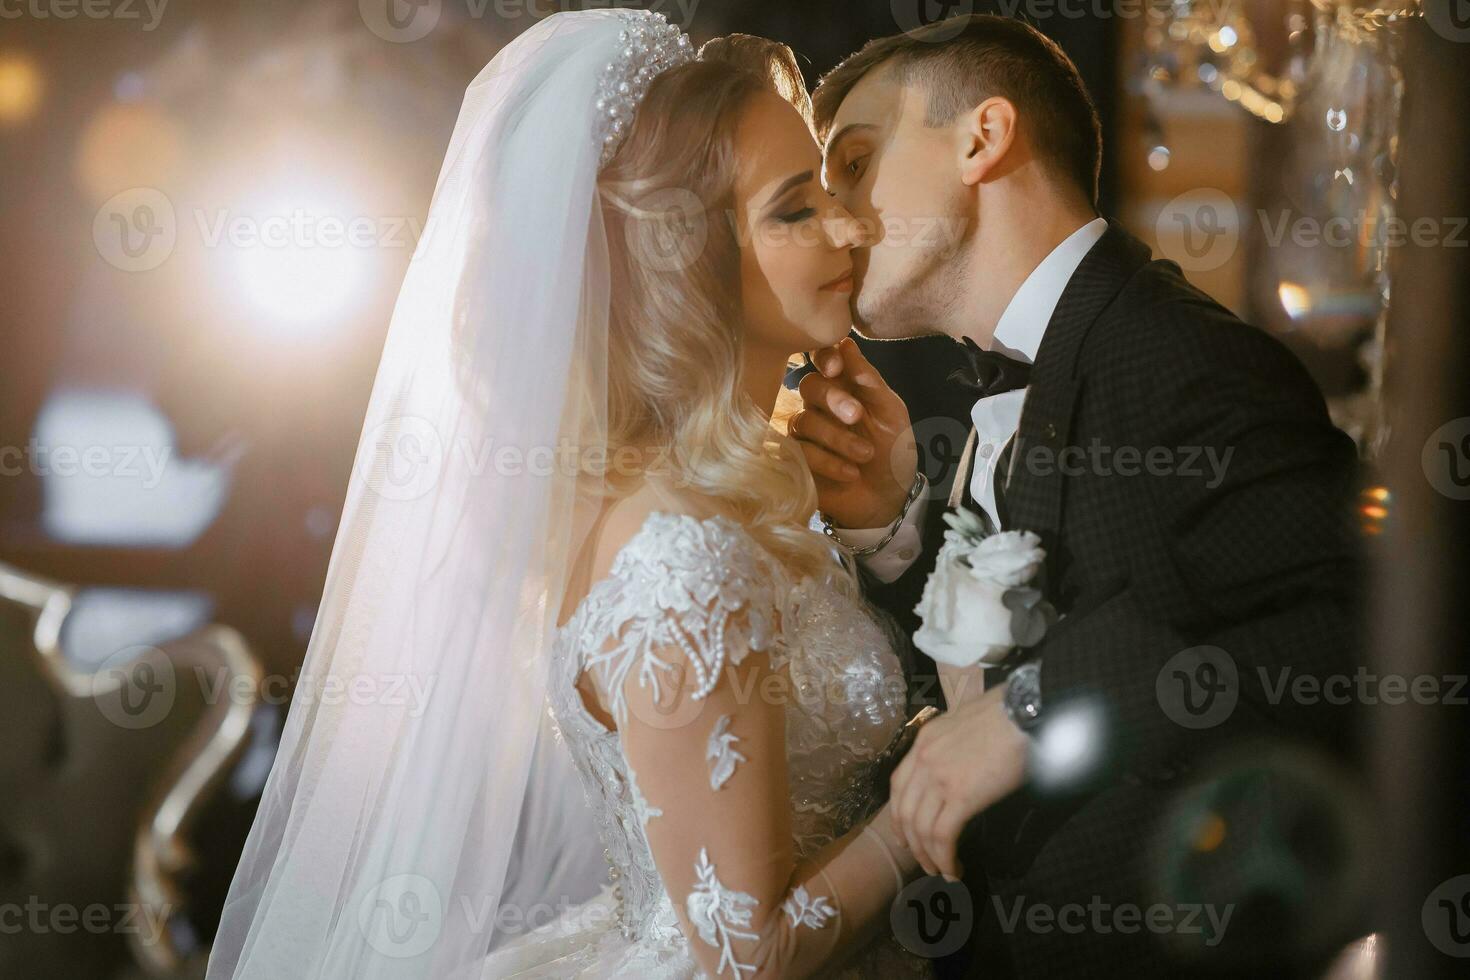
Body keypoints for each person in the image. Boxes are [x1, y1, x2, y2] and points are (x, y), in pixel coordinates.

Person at [207, 11, 937, 980]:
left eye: (835, 192)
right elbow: (742, 953)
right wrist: (925, 805)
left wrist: (877, 518)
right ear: (684, 260)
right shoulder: (681, 553)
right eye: (796, 209)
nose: (852, 226)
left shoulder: (731, 494)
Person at [790, 14, 1364, 978]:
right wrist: (898, 534)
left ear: (983, 136)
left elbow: (1358, 632)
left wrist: (1040, 709)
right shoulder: (1022, 377)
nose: (834, 218)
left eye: (852, 162)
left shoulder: (1180, 361)